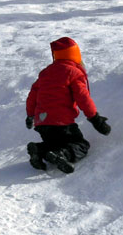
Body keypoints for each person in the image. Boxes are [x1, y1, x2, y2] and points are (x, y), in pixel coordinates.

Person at [25, 37, 111, 174]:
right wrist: (95, 119)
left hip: (42, 123)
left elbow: (32, 96)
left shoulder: (45, 73)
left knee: (54, 143)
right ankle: (62, 155)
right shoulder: (73, 73)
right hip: (62, 123)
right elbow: (83, 98)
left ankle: (39, 150)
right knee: (81, 145)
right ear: (75, 54)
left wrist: (30, 115)